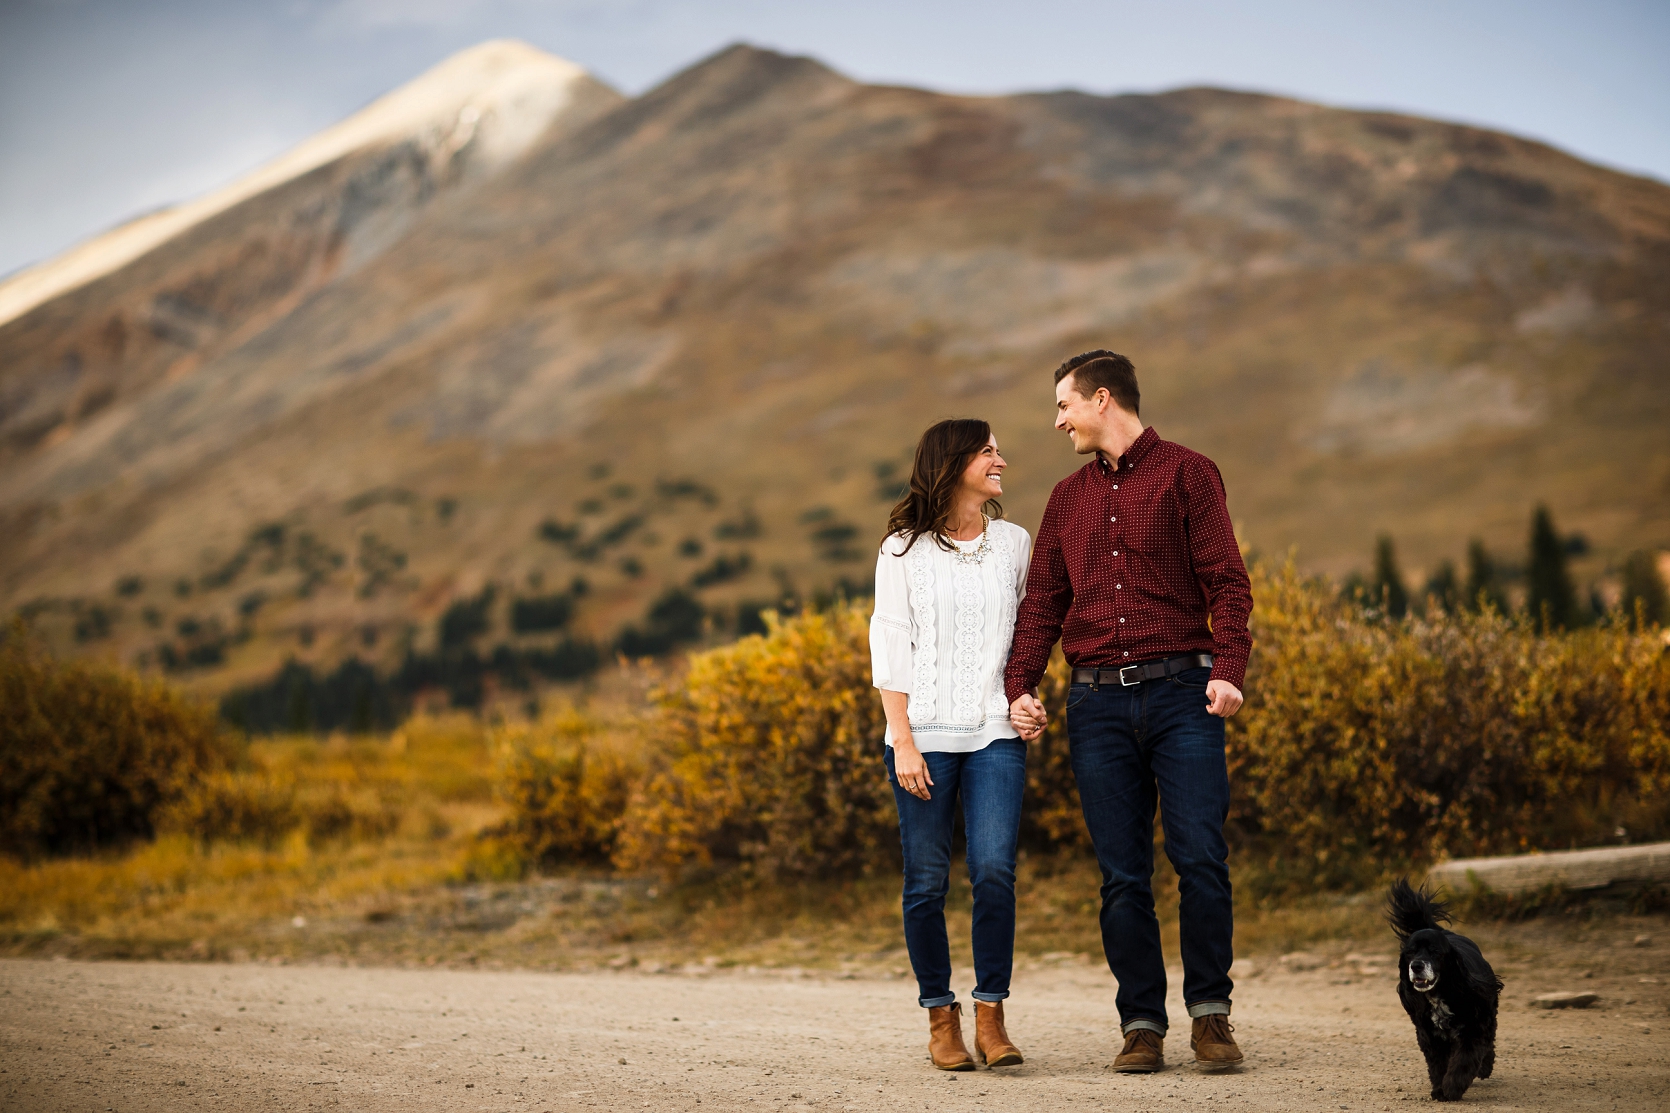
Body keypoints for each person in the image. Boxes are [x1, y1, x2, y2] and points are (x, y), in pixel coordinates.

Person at [1005, 351, 1253, 1073]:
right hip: (1095, 706)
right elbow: (1043, 604)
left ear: (1101, 398)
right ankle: (1141, 1023)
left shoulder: (1188, 474)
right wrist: (1021, 683)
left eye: (1064, 405)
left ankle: (1211, 1016)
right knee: (1121, 875)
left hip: (1184, 695)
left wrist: (1229, 670)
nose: (1057, 421)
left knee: (1201, 858)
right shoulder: (1065, 499)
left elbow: (1228, 585)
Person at [870, 417, 1041, 1071]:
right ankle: (941, 1017)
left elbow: (1030, 633)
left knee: (995, 873)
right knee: (926, 881)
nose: (1001, 458)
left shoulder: (1015, 543)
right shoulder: (902, 549)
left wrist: (1026, 693)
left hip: (996, 731)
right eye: (988, 449)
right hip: (923, 737)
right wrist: (904, 740)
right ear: (953, 460)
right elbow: (889, 646)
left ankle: (991, 1015)